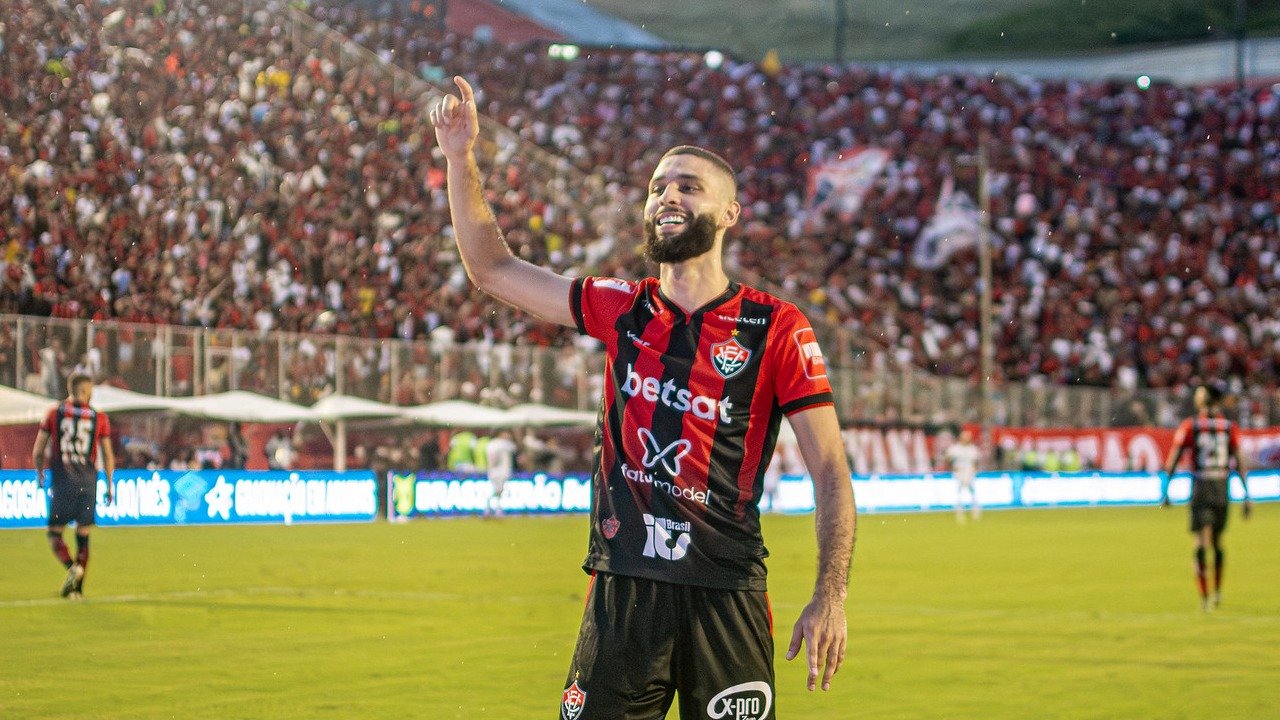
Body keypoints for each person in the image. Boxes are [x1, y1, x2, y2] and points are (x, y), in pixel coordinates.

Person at [431, 76, 856, 718]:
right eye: (658, 186)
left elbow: (830, 470)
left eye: (688, 186)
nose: (667, 196)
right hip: (624, 587)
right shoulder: (620, 307)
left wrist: (831, 596)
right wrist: (460, 158)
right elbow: (493, 269)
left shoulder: (776, 327)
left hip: (725, 592)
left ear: (731, 214)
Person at [1160, 383, 1252, 611]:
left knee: (1201, 541)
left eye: (1199, 393)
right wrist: (1246, 495)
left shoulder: (1191, 425)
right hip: (1221, 486)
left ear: (1205, 399)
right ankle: (1217, 592)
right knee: (1218, 541)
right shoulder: (1228, 427)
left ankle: (1204, 596)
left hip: (1201, 487)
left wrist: (1166, 489)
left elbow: (1174, 458)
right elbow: (1240, 461)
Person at [31, 373, 115, 600]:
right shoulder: (99, 417)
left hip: (63, 482)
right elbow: (107, 454)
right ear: (86, 391)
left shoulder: (54, 413)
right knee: (83, 535)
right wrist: (109, 484)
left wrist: (39, 472)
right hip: (88, 484)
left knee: (54, 534)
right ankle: (77, 590)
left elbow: (38, 450)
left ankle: (72, 568)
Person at [944, 428, 982, 523]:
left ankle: (975, 511)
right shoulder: (954, 448)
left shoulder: (973, 449)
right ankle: (959, 512)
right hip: (958, 472)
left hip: (969, 472)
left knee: (972, 491)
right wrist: (952, 468)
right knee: (958, 492)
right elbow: (948, 459)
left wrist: (974, 470)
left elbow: (976, 462)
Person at [484, 429, 518, 517]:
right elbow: (515, 448)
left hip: (492, 471)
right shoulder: (505, 444)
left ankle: (490, 509)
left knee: (498, 490)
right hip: (502, 471)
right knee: (499, 491)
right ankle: (496, 509)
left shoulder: (491, 444)